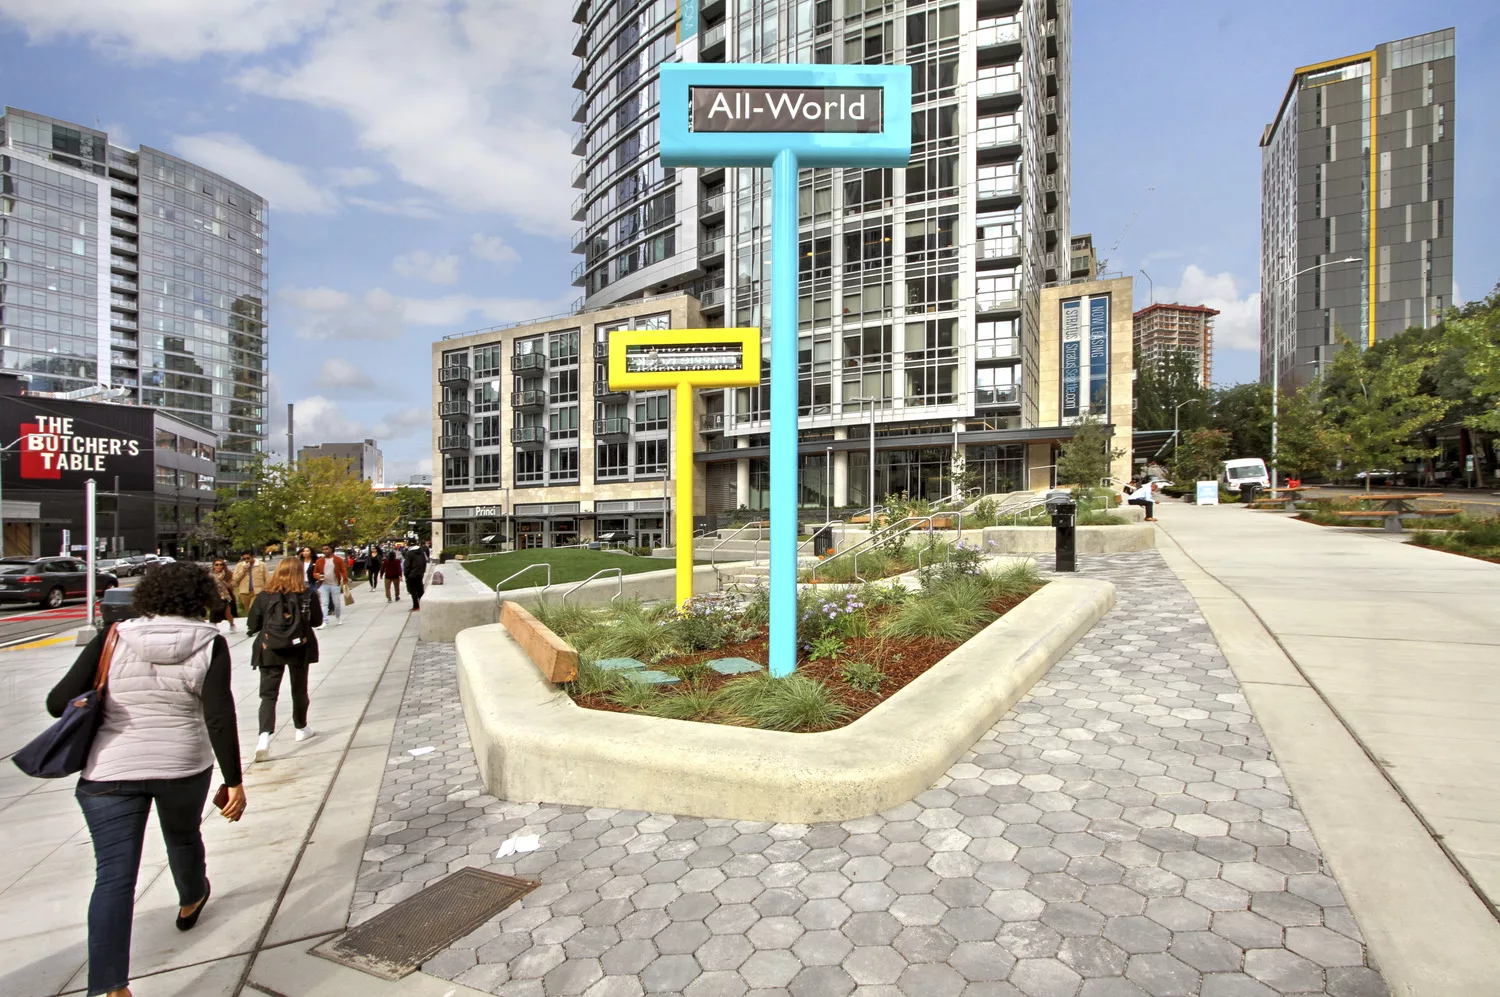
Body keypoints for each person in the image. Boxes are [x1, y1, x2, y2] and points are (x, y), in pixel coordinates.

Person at [46, 562, 246, 997]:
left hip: (110, 770)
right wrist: (234, 780)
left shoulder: (114, 636)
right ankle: (192, 898)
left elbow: (57, 702)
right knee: (183, 836)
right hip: (182, 765)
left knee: (114, 877)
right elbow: (218, 716)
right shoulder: (210, 642)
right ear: (200, 599)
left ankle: (111, 985)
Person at [246, 556, 323, 762]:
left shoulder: (264, 596)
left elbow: (252, 624)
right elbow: (317, 621)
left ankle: (264, 738)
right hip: (299, 647)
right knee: (299, 689)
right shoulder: (307, 594)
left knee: (268, 695)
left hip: (269, 648)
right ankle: (301, 727)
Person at [313, 544, 348, 628]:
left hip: (335, 584)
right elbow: (314, 573)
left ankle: (338, 617)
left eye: (326, 549)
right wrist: (318, 576)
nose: (325, 551)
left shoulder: (338, 560)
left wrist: (345, 580)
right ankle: (324, 621)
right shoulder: (319, 561)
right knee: (324, 603)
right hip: (323, 585)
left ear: (331, 550)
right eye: (323, 549)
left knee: (337, 603)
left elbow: (343, 570)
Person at [229, 550, 266, 618]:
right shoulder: (239, 566)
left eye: (248, 558)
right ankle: (251, 623)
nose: (246, 560)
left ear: (253, 557)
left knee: (253, 608)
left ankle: (254, 623)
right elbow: (235, 578)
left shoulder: (261, 565)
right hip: (244, 591)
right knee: (247, 610)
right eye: (244, 559)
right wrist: (243, 571)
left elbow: (267, 578)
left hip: (257, 591)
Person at [209, 559, 237, 632]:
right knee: (214, 612)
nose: (219, 566)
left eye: (221, 564)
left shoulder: (227, 574)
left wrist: (222, 581)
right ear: (213, 566)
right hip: (214, 596)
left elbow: (231, 586)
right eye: (217, 564)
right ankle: (213, 627)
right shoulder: (209, 575)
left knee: (227, 613)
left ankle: (232, 624)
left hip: (225, 596)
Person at [403, 541, 429, 612]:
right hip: (420, 574)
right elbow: (424, 562)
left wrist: (406, 574)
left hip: (411, 575)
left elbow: (407, 566)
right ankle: (422, 605)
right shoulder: (421, 552)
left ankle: (416, 606)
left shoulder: (409, 553)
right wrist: (422, 572)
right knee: (420, 590)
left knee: (412, 590)